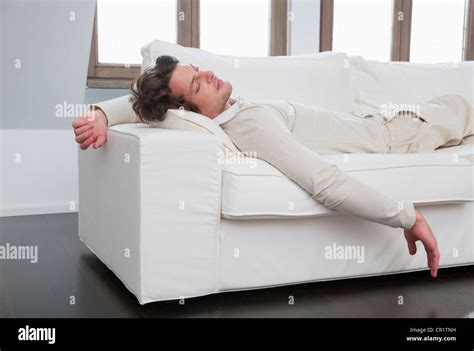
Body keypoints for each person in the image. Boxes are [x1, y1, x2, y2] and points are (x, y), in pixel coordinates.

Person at [72, 55, 473, 279]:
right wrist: (408, 215)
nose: (208, 75)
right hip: (402, 136)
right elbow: (324, 182)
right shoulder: (250, 124)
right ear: (192, 110)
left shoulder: (232, 110)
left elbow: (141, 106)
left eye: (197, 71)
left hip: (392, 123)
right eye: (197, 85)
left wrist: (103, 114)